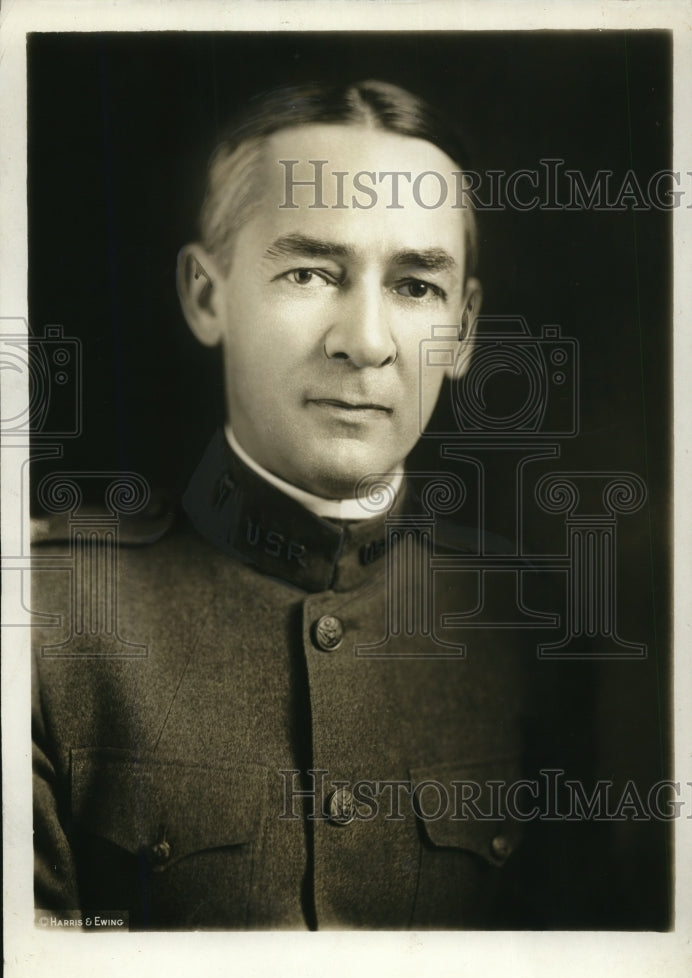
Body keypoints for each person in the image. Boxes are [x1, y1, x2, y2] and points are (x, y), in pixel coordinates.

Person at [32, 80, 553, 930]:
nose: (366, 342)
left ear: (463, 330)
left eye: (416, 287)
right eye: (310, 272)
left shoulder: (532, 630)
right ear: (207, 296)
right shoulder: (44, 621)